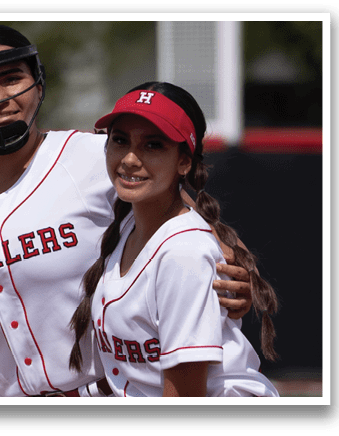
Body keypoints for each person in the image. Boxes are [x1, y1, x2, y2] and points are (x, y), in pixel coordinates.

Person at [0, 23, 258, 397]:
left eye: (11, 77)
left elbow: (193, 229)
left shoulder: (97, 158)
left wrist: (232, 278)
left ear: (39, 84)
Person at [67, 82, 279, 397]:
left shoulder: (183, 252)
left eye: (153, 145)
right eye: (120, 140)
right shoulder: (129, 228)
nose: (129, 158)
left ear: (184, 161)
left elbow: (186, 397)